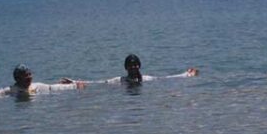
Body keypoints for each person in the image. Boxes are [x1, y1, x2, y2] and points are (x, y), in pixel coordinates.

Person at [0, 64, 85, 97]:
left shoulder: (38, 86)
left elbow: (53, 87)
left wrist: (74, 85)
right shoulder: (10, 91)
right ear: (17, 78)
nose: (29, 77)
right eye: (25, 75)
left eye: (30, 74)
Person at [63, 54, 199, 85]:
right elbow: (98, 82)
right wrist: (74, 82)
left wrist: (187, 74)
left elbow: (168, 78)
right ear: (126, 68)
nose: (134, 68)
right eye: (131, 66)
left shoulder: (146, 79)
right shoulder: (120, 81)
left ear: (139, 66)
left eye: (136, 65)